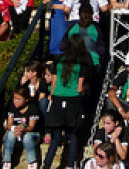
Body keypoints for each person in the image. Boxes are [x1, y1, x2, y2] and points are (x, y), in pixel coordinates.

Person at [43, 34, 90, 169]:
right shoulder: (81, 63)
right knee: (73, 135)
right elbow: (80, 87)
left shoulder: (58, 60)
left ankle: (47, 165)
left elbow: (53, 83)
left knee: (56, 137)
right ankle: (70, 165)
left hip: (57, 99)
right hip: (73, 100)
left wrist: (52, 96)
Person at [2, 86, 42, 169]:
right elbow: (9, 124)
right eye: (14, 98)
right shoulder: (12, 107)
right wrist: (15, 129)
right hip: (17, 134)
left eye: (18, 99)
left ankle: (32, 162)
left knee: (27, 137)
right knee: (9, 134)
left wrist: (22, 129)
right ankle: (6, 162)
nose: (15, 101)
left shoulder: (33, 108)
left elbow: (31, 126)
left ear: (26, 99)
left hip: (32, 134)